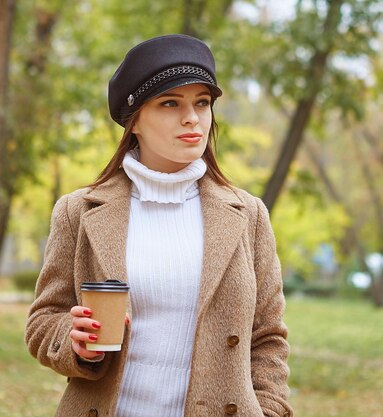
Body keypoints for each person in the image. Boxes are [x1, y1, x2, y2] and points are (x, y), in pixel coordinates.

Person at [25, 34, 292, 417]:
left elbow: (267, 338)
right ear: (134, 120)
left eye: (202, 103)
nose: (192, 118)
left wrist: (269, 410)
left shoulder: (248, 214)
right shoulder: (78, 211)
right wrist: (73, 340)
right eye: (171, 103)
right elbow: (43, 321)